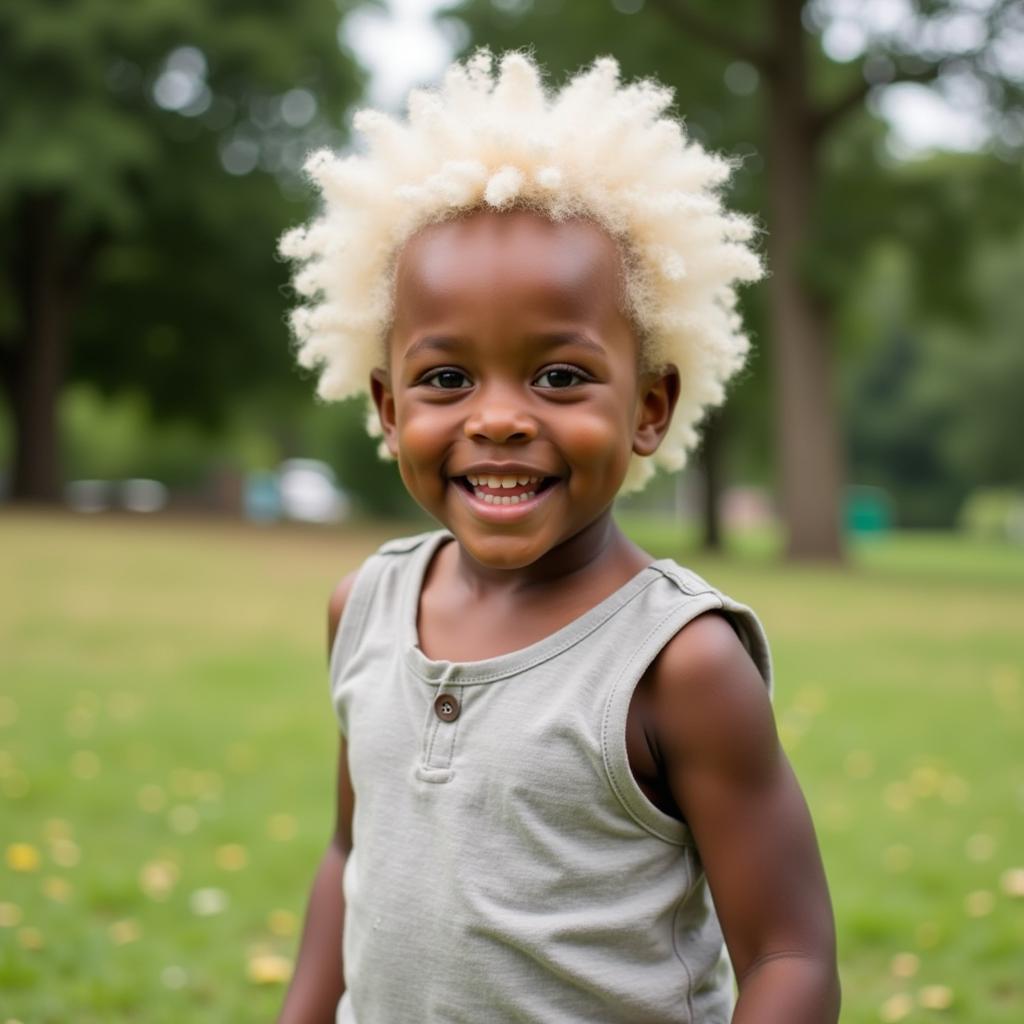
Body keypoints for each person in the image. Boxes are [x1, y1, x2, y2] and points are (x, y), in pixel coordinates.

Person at [276, 50, 839, 1024]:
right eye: (446, 379)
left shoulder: (679, 663)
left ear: (649, 406)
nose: (497, 418)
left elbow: (789, 955)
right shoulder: (363, 609)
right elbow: (348, 854)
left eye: (559, 376)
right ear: (386, 404)